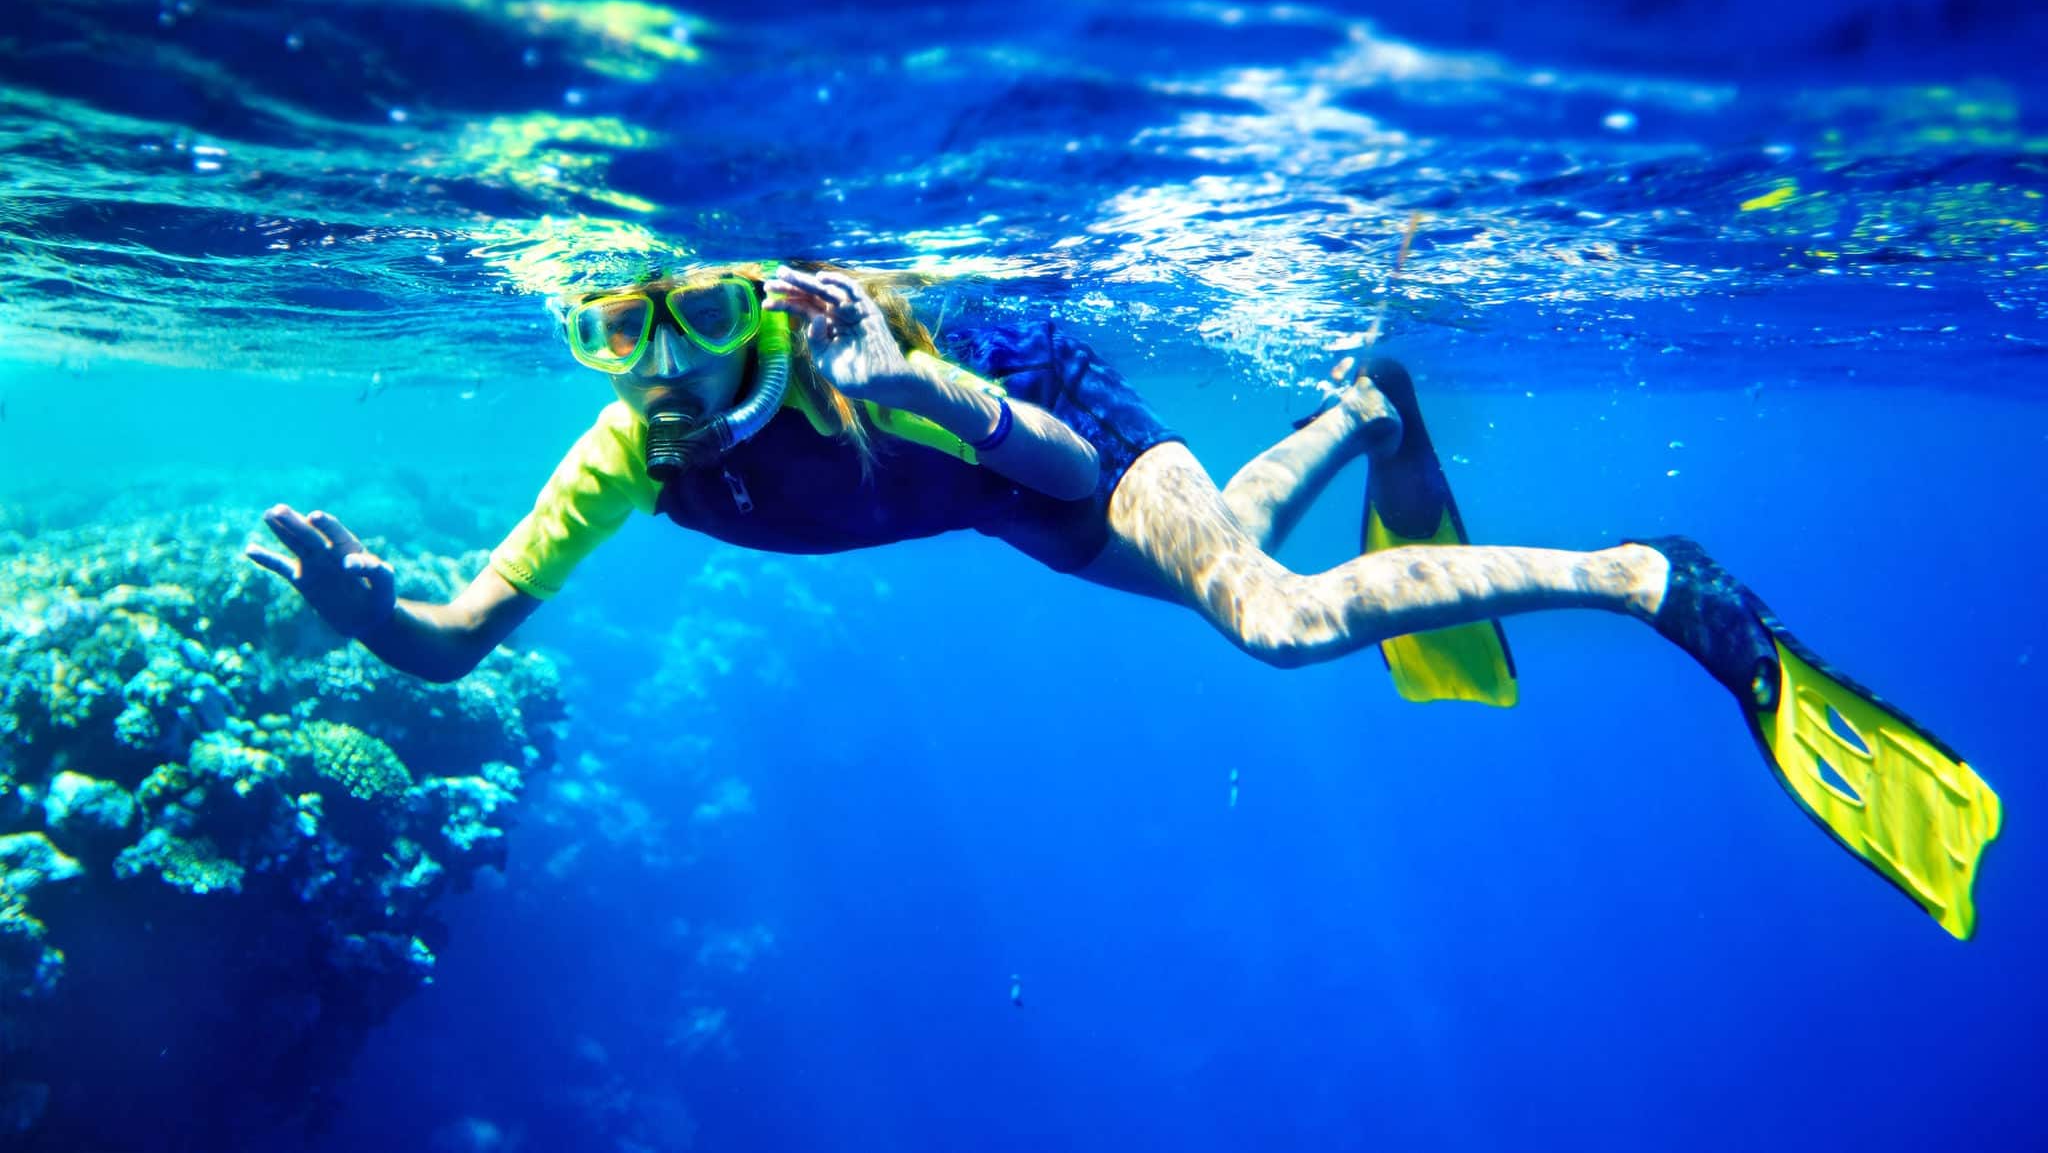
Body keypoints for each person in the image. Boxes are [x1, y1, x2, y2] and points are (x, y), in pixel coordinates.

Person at [247, 262, 2001, 938]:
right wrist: (373, 621)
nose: (657, 366)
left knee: (1272, 617)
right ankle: (1366, 408)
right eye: (610, 329)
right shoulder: (630, 453)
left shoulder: (870, 363)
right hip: (967, 503)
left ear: (761, 309)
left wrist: (931, 402)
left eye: (688, 313)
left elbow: (1080, 485)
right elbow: (466, 634)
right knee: (1227, 559)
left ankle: (1647, 575)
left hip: (1029, 429)